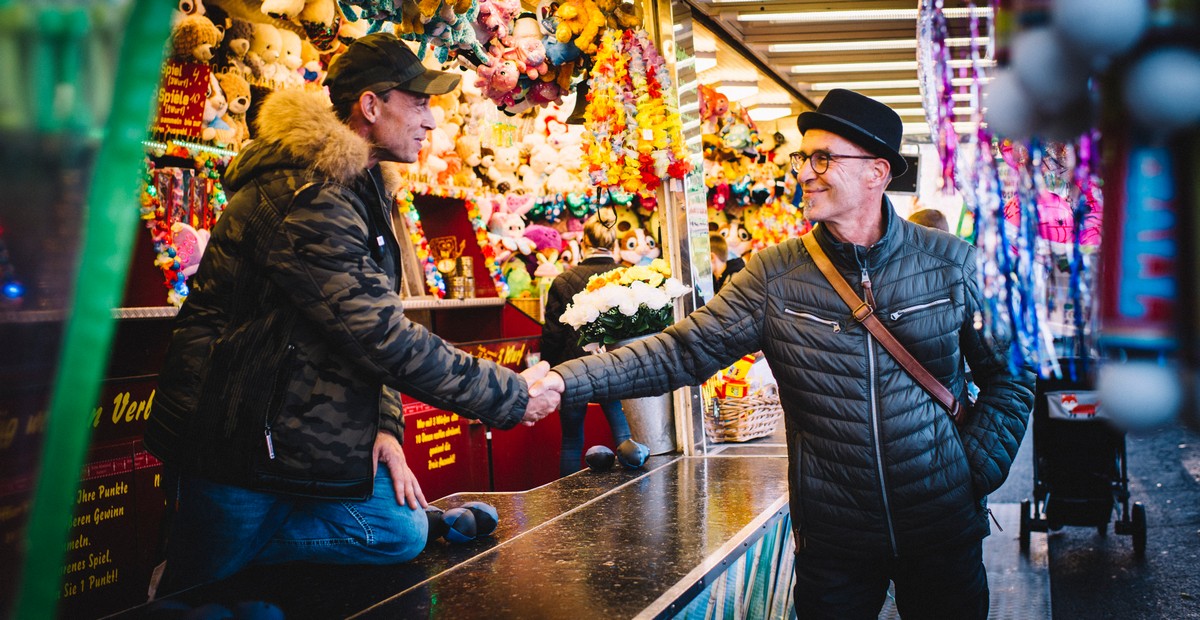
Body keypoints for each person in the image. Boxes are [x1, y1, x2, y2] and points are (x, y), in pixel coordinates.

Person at [534, 89, 1034, 619]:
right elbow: (683, 351)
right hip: (835, 541)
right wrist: (567, 380)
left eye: (824, 158)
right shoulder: (775, 276)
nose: (806, 173)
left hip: (942, 528)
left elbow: (1012, 374)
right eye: (803, 157)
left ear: (877, 172)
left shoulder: (952, 264)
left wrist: (973, 469)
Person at [144, 33, 559, 593]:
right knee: (197, 592)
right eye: (419, 103)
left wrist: (384, 426)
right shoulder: (308, 192)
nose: (432, 121)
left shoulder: (359, 188)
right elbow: (379, 335)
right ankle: (191, 567)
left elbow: (363, 326)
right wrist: (508, 396)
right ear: (371, 106)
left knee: (398, 531)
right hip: (236, 433)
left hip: (305, 433)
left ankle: (233, 560)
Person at [540, 215, 632, 476]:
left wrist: (551, 371)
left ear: (583, 242)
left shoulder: (562, 281)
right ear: (612, 243)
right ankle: (638, 488)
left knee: (571, 441)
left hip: (572, 370)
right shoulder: (624, 276)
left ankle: (568, 498)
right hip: (615, 366)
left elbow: (552, 333)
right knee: (624, 435)